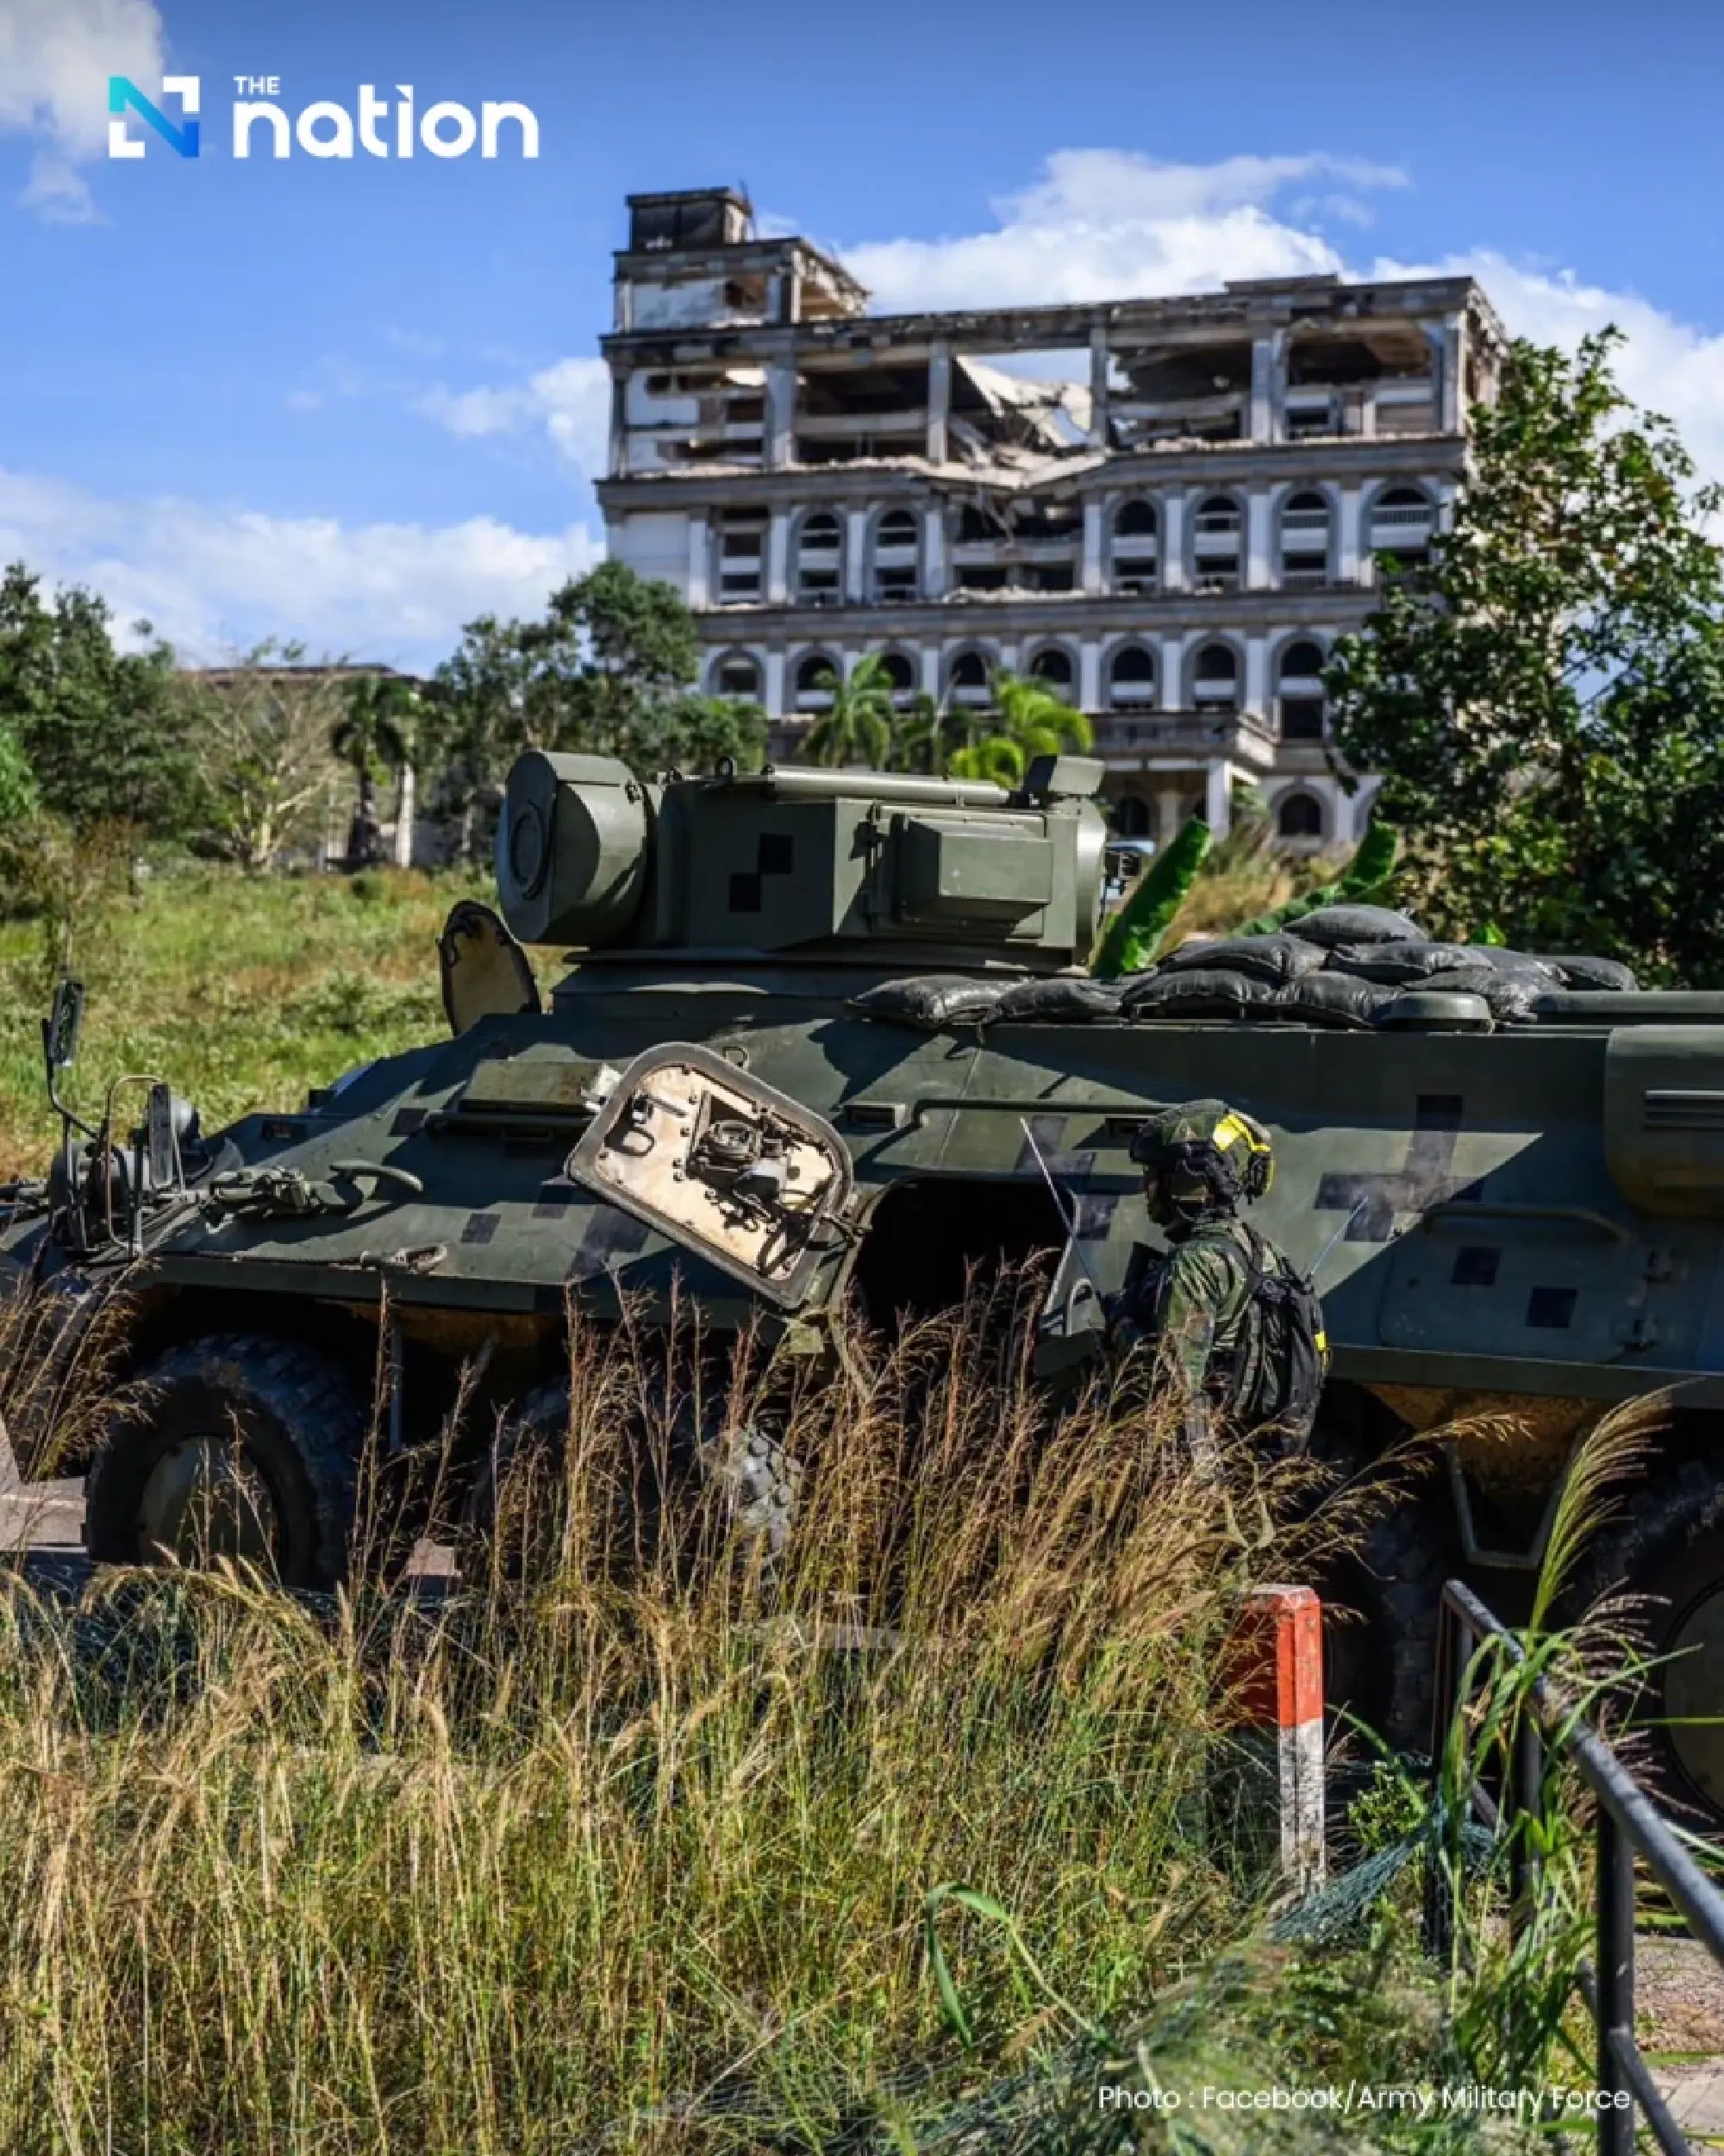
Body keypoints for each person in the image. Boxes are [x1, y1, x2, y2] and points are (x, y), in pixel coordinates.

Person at [1108, 1099, 1327, 1467]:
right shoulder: (1258, 1251)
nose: (1146, 1187)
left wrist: (1122, 1328)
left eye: (1154, 1174)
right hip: (1244, 1458)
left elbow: (1173, 1385)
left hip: (1197, 1468)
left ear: (1188, 1181)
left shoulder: (1195, 1264)